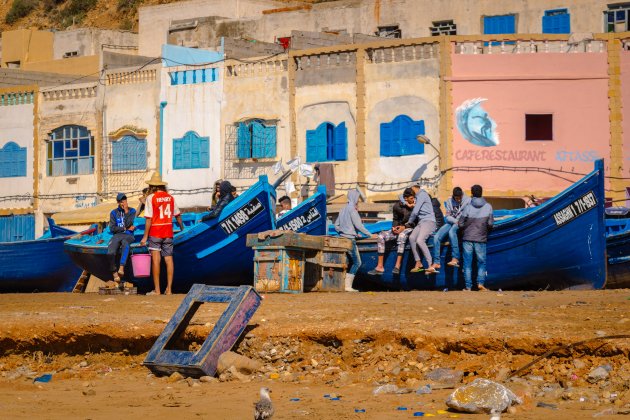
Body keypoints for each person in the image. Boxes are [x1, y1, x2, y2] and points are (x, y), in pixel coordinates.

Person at [140, 173, 184, 295]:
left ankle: (157, 290)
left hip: (155, 232)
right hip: (168, 232)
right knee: (169, 260)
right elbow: (178, 216)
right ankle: (169, 289)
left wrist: (144, 237)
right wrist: (182, 229)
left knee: (156, 261)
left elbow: (148, 219)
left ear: (152, 186)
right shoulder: (170, 197)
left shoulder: (151, 198)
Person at [334, 189, 376, 292]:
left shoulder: (343, 209)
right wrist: (370, 235)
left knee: (347, 262)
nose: (358, 201)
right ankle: (347, 286)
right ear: (354, 198)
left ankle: (343, 285)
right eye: (357, 199)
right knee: (357, 262)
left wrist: (343, 232)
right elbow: (359, 225)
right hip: (349, 240)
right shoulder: (352, 209)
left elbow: (336, 226)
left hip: (342, 238)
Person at [368, 188, 416, 275]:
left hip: (410, 228)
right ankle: (380, 267)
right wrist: (394, 227)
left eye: (414, 198)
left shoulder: (415, 207)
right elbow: (395, 219)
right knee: (381, 236)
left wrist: (404, 227)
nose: (414, 200)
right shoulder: (397, 206)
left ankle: (397, 266)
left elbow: (416, 222)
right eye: (412, 198)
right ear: (406, 198)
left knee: (402, 236)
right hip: (398, 228)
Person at [458, 184, 493, 291]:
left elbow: (460, 223)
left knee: (467, 264)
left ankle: (468, 287)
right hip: (481, 239)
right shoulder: (488, 207)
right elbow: (490, 224)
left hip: (467, 238)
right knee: (481, 263)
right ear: (481, 193)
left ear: (472, 193)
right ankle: (480, 284)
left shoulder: (468, 207)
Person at [430, 187, 471, 271]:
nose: (458, 200)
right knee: (436, 237)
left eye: (460, 198)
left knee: (452, 232)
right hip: (451, 222)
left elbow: (467, 215)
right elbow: (447, 216)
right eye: (456, 198)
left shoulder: (468, 200)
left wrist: (458, 221)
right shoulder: (449, 201)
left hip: (462, 222)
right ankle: (437, 262)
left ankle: (455, 258)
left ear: (462, 195)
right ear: (453, 196)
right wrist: (455, 221)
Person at [405, 183, 437, 273]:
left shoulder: (422, 195)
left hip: (429, 221)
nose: (410, 191)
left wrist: (409, 222)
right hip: (421, 222)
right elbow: (401, 196)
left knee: (420, 240)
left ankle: (430, 265)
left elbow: (415, 211)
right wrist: (405, 202)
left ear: (414, 188)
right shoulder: (417, 196)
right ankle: (418, 263)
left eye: (411, 189)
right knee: (411, 238)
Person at [107, 192, 136, 286]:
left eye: (124, 200)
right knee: (110, 252)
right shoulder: (113, 213)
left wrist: (126, 211)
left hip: (129, 235)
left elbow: (129, 223)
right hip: (117, 235)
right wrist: (124, 228)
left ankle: (121, 268)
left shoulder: (132, 211)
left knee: (125, 243)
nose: (123, 202)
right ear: (118, 202)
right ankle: (114, 273)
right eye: (120, 201)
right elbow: (112, 228)